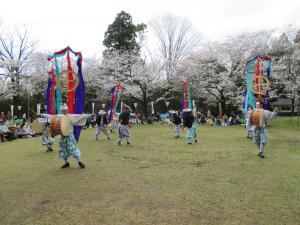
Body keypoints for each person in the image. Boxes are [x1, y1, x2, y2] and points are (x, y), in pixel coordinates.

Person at [40, 104, 88, 169]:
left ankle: (80, 162)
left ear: (67, 110)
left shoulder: (70, 116)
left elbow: (78, 117)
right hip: (62, 136)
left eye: (65, 110)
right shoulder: (59, 116)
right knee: (63, 150)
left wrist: (85, 116)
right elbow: (50, 116)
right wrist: (41, 114)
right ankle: (66, 163)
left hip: (69, 136)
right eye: (63, 110)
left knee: (73, 148)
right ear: (61, 111)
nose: (64, 111)